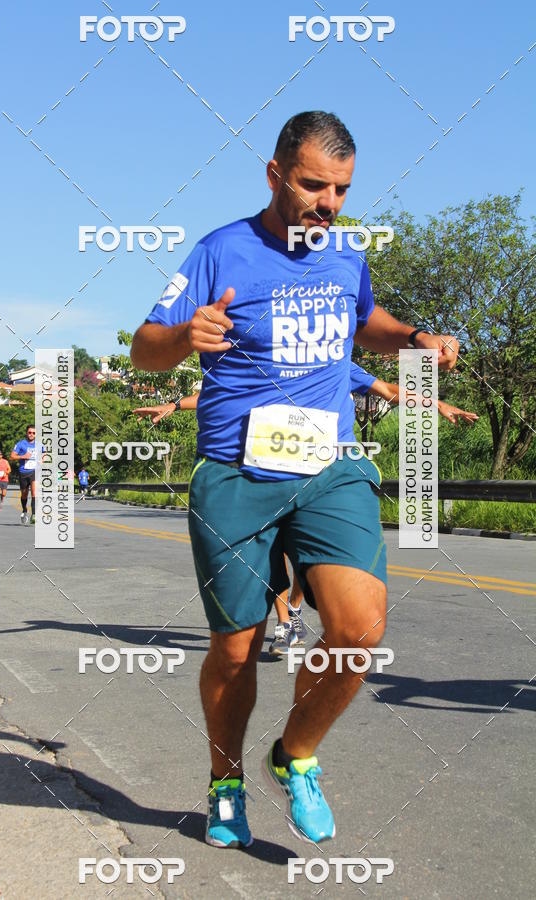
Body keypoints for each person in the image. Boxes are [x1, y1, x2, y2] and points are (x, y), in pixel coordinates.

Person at [131, 110, 459, 848]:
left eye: (342, 189)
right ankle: (224, 782)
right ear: (276, 174)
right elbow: (145, 348)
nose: (330, 204)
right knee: (237, 649)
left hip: (329, 467)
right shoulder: (221, 250)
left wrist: (414, 338)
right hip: (235, 474)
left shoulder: (345, 254)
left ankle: (295, 756)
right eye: (315, 185)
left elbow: (363, 317)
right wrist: (187, 337)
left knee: (358, 629)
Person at [134, 365, 477, 656]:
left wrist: (437, 404)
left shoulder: (335, 360)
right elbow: (219, 396)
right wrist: (176, 404)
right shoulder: (262, 360)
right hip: (267, 472)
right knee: (275, 552)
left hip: (322, 475)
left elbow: (387, 389)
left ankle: (294, 609)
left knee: (307, 558)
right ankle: (285, 624)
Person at [11, 426, 44, 526]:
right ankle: (24, 510)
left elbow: (44, 453)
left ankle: (34, 515)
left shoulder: (39, 444)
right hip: (23, 472)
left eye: (34, 433)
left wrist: (42, 460)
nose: (31, 434)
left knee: (34, 492)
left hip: (35, 471)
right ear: (27, 433)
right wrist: (23, 456)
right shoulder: (21, 444)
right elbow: (12, 456)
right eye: (30, 432)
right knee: (24, 494)